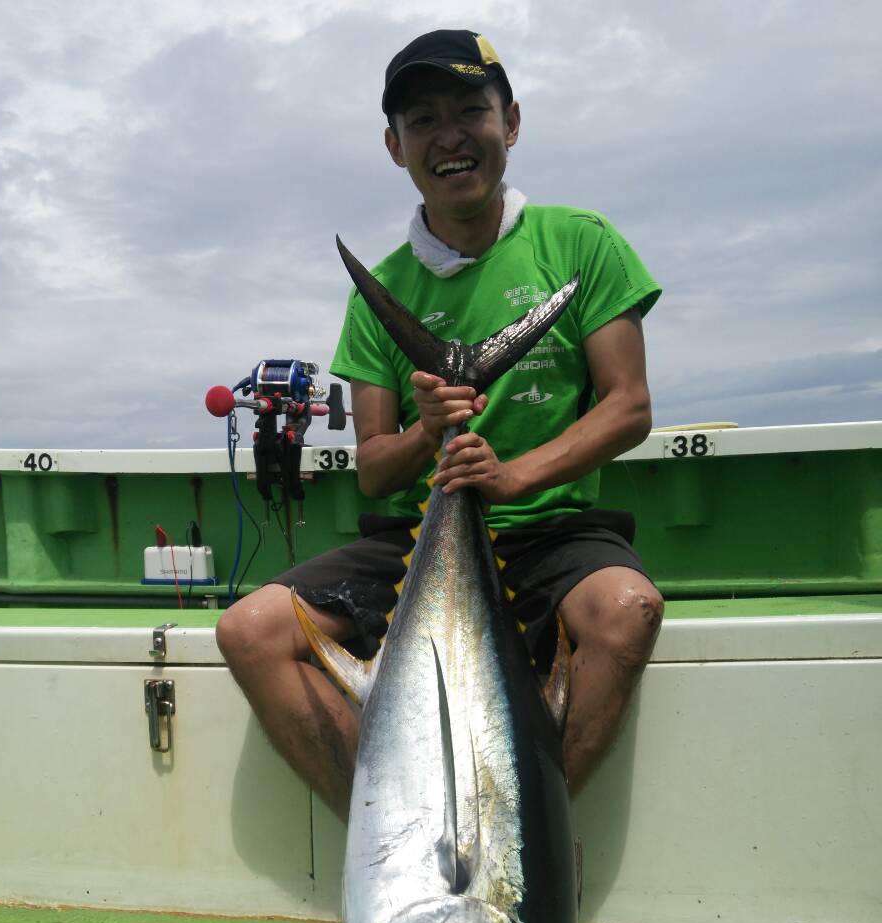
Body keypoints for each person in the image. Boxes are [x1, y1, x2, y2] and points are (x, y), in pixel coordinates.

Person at [216, 29, 664, 823]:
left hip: (553, 529)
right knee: (249, 631)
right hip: (417, 540)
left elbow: (628, 405)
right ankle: (394, 852)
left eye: (470, 110)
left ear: (512, 122)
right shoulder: (379, 293)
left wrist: (513, 477)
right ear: (395, 146)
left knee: (628, 610)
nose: (449, 135)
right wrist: (427, 433)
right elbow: (377, 469)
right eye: (422, 120)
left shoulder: (581, 244)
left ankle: (532, 843)